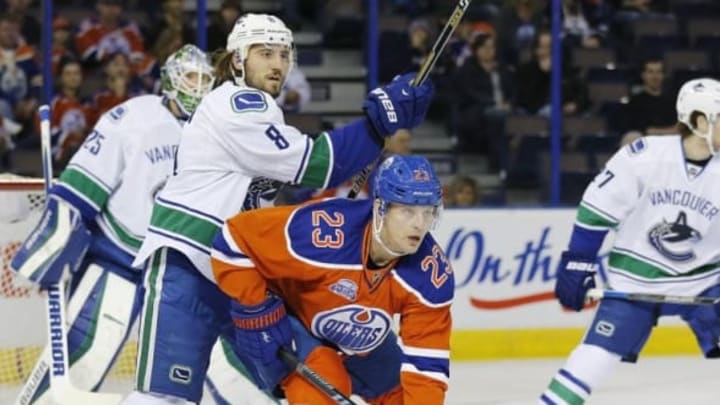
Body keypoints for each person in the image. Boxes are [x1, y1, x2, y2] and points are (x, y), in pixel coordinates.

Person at [123, 13, 434, 405]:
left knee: (306, 373)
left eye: (284, 55)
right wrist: (379, 123)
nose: (277, 64)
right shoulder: (236, 104)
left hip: (240, 274)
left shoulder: (263, 110)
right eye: (265, 53)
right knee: (163, 398)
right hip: (189, 266)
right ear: (238, 60)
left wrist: (380, 125)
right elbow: (317, 165)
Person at [9, 44, 218, 404]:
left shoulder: (218, 132)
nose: (199, 88)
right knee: (83, 359)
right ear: (170, 80)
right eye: (191, 78)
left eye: (205, 80)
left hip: (179, 274)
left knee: (179, 380)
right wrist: (55, 239)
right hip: (120, 259)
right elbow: (82, 184)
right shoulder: (134, 117)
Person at [211, 154, 453, 404]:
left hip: (359, 335)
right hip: (295, 319)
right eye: (407, 211)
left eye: (427, 212)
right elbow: (233, 238)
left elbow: (427, 366)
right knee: (320, 395)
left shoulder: (431, 275)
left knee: (403, 395)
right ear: (380, 208)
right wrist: (257, 307)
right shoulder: (323, 231)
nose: (420, 225)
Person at [539, 77, 720, 405]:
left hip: (707, 280)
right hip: (638, 279)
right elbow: (598, 209)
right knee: (594, 358)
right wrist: (578, 262)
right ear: (699, 121)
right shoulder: (646, 156)